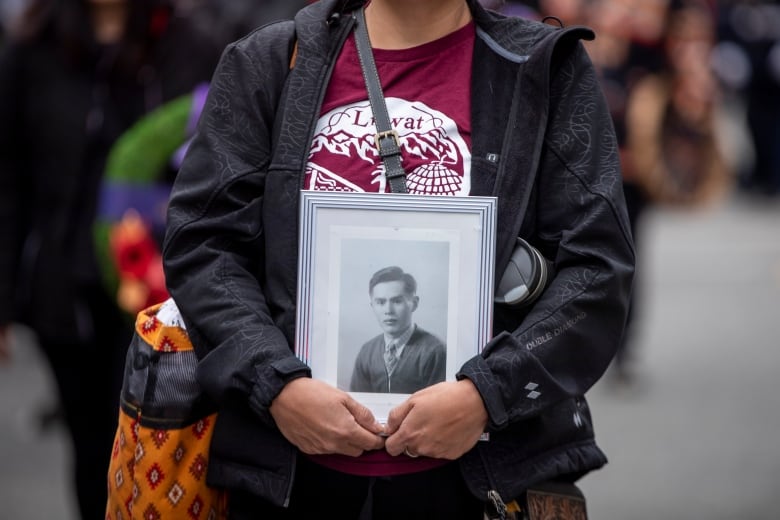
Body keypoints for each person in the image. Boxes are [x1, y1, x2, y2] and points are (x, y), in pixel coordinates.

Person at [161, 0, 635, 518]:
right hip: (290, 477)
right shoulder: (270, 62)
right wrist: (275, 385)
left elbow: (596, 266)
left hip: (479, 481)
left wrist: (486, 397)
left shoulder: (543, 70)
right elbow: (206, 244)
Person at [0, 0, 222, 517]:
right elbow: (8, 181)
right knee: (92, 446)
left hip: (164, 292)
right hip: (64, 282)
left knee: (163, 446)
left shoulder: (192, 44)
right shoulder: (33, 49)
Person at [350, 266, 446, 394]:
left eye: (397, 301)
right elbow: (358, 403)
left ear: (414, 303)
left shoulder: (435, 351)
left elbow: (437, 407)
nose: (388, 310)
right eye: (380, 302)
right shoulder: (367, 352)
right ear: (372, 306)